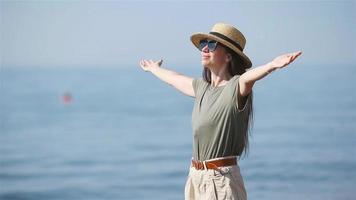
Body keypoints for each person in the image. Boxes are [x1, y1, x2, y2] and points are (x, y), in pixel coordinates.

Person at [139, 23, 302, 200]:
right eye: (203, 44)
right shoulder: (201, 89)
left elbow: (249, 77)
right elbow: (174, 79)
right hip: (195, 178)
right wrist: (154, 69)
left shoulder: (236, 86)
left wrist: (272, 65)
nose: (205, 48)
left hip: (221, 181)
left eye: (213, 44)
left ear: (228, 57)